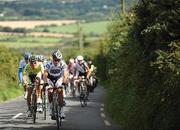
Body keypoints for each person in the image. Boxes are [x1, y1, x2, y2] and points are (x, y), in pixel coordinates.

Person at [43, 50, 68, 119]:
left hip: (58, 78)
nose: (56, 61)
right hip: (50, 78)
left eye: (58, 60)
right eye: (55, 60)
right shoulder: (48, 64)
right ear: (52, 59)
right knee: (50, 91)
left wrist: (64, 82)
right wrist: (45, 83)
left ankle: (62, 112)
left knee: (60, 90)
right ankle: (51, 106)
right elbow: (45, 74)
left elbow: (65, 74)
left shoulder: (63, 64)